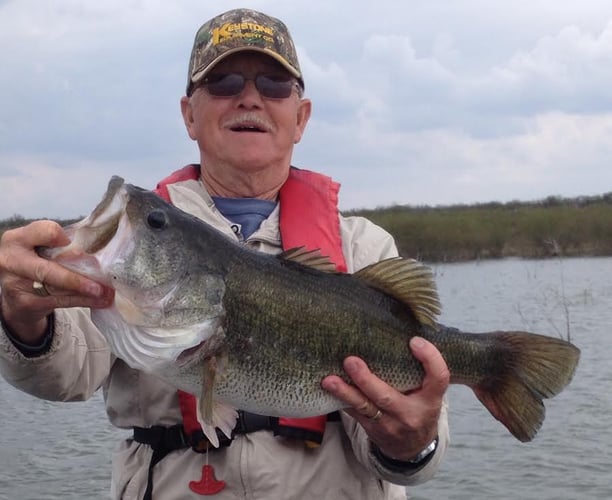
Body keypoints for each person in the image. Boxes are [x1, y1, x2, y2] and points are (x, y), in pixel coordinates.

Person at [0, 8, 450, 500]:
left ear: (300, 118)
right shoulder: (139, 250)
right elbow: (67, 373)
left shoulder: (364, 248)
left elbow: (413, 447)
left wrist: (414, 442)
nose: (250, 98)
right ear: (189, 115)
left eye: (275, 84)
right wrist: (22, 320)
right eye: (224, 82)